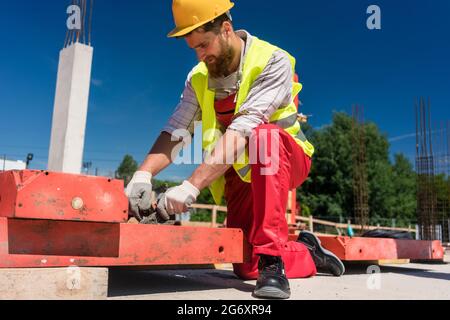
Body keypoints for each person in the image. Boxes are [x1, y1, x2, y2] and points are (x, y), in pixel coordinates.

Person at [126, 0, 345, 299]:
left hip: (285, 159)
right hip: (240, 174)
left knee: (264, 136)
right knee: (245, 266)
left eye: (204, 45)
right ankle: (304, 252)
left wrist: (191, 186)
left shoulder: (272, 60)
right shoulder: (198, 77)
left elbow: (245, 129)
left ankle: (273, 259)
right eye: (194, 48)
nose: (200, 55)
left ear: (226, 29)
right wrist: (142, 175)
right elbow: (177, 129)